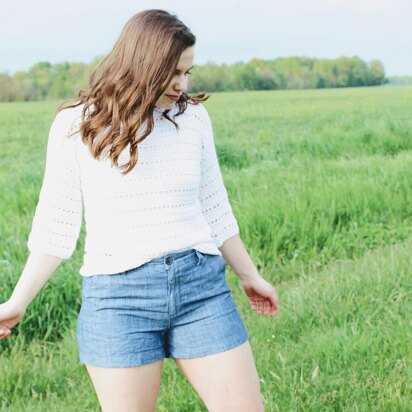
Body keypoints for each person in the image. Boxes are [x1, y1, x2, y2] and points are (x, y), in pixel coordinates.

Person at [0, 9, 279, 412]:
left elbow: (216, 208)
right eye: (173, 72)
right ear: (143, 63)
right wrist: (17, 302)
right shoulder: (75, 125)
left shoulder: (194, 119)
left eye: (188, 72)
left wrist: (250, 276)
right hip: (118, 299)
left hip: (201, 290)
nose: (182, 85)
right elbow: (55, 226)